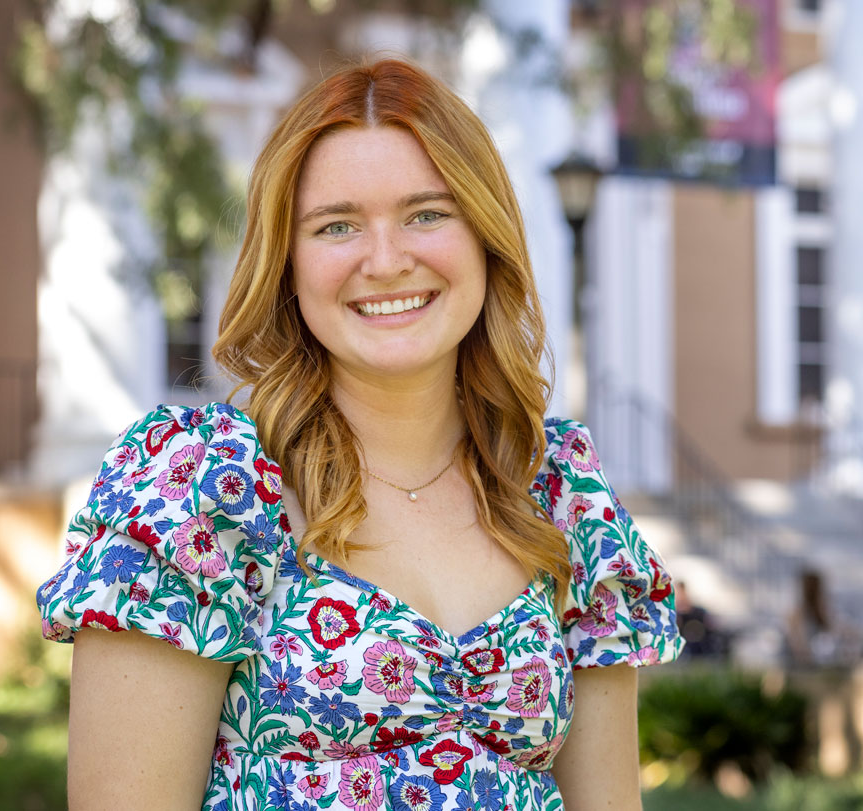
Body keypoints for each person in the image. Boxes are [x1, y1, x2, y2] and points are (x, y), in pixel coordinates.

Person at [35, 58, 683, 811]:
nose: (385, 260)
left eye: (426, 214)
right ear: (288, 262)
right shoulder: (201, 489)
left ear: (485, 237)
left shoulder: (559, 493)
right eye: (337, 225)